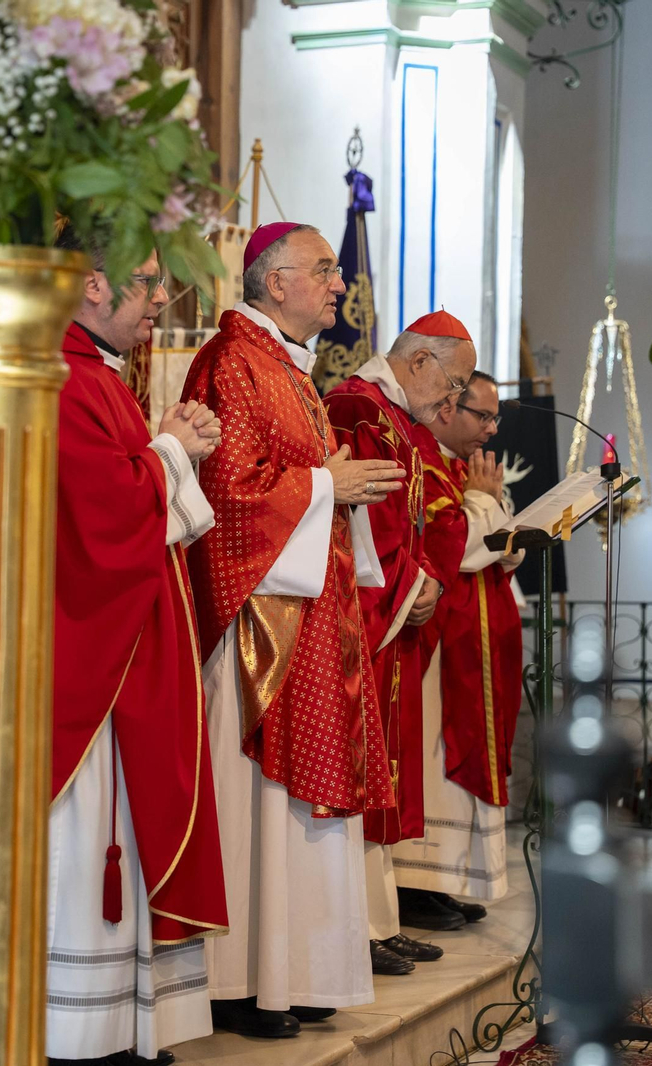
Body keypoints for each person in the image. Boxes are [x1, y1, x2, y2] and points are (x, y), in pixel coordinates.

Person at [181, 222, 406, 1039]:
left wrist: (339, 489)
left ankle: (299, 972)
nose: (338, 284)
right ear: (273, 282)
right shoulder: (231, 361)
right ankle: (242, 979)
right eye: (323, 270)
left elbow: (284, 479)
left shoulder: (285, 366)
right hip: (259, 626)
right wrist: (326, 484)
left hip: (308, 608)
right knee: (260, 805)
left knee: (299, 810)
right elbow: (228, 495)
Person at [48, 227, 229, 1066]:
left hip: (131, 640)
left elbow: (135, 490)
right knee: (92, 834)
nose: (162, 298)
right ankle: (80, 1026)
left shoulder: (98, 377)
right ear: (91, 283)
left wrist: (168, 444)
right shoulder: (64, 379)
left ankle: (119, 1020)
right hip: (92, 653)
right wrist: (172, 451)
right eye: (148, 282)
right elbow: (103, 516)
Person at [323, 311, 480, 975]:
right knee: (358, 772)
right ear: (418, 363)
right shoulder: (356, 406)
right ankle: (356, 927)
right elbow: (363, 518)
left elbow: (415, 520)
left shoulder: (397, 416)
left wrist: (427, 580)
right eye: (454, 384)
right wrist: (412, 579)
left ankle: (380, 919)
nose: (454, 401)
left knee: (381, 772)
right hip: (360, 611)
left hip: (391, 607)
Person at [392, 370, 523, 928]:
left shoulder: (467, 472)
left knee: (456, 773)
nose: (491, 431)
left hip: (475, 645)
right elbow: (456, 547)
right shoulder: (421, 460)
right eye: (482, 416)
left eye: (497, 418)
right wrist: (486, 509)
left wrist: (503, 528)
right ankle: (415, 882)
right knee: (434, 767)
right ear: (449, 408)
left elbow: (494, 543)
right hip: (435, 648)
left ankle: (446, 881)